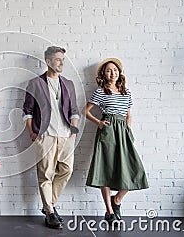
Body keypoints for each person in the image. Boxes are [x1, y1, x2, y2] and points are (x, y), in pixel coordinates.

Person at [85, 57, 149, 223]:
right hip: (107, 131)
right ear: (104, 74)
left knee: (135, 170)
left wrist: (128, 131)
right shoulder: (100, 92)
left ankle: (116, 201)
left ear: (119, 72)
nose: (112, 73)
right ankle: (109, 212)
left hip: (123, 131)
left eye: (115, 70)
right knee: (104, 170)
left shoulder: (126, 92)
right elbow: (86, 112)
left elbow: (128, 115)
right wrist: (98, 122)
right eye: (108, 71)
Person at [23, 46, 79, 229]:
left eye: (62, 59)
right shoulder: (35, 83)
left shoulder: (68, 83)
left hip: (66, 136)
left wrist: (74, 131)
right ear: (48, 62)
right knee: (45, 175)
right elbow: (27, 111)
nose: (61, 62)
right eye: (57, 59)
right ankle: (50, 212)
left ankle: (50, 206)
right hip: (45, 135)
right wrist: (32, 133)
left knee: (66, 170)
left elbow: (74, 111)